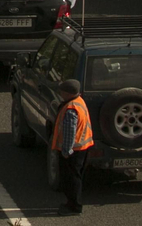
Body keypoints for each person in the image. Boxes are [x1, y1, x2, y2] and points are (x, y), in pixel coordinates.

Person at [53, 78, 94, 213]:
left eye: (62, 91)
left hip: (73, 151)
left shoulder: (71, 108)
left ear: (68, 93)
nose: (60, 93)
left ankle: (74, 206)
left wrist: (66, 151)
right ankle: (73, 203)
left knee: (71, 179)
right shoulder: (79, 102)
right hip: (83, 147)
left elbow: (70, 131)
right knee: (76, 177)